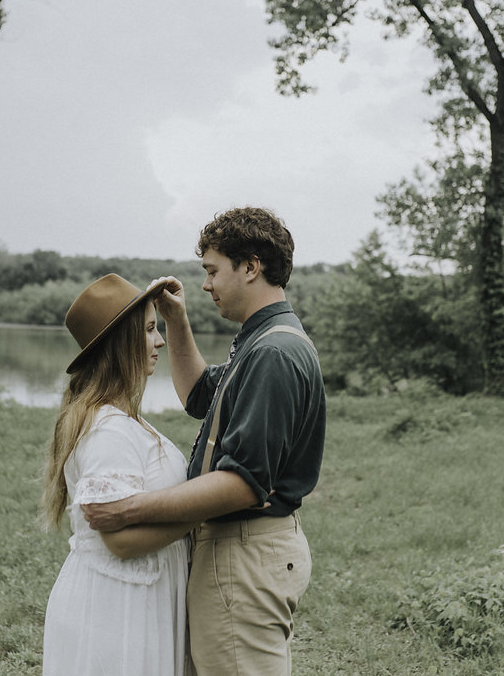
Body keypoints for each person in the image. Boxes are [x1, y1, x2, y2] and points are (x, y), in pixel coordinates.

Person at [83, 207, 326, 675]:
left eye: (212, 271)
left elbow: (243, 484)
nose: (205, 284)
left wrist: (127, 509)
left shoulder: (273, 352)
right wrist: (176, 320)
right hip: (240, 550)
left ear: (251, 267)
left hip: (246, 551)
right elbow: (198, 395)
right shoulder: (260, 340)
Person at [40, 273, 198, 676]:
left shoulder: (117, 417)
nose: (160, 340)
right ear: (120, 343)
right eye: (148, 330)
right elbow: (122, 543)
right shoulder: (109, 428)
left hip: (131, 602)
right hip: (118, 614)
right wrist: (206, 511)